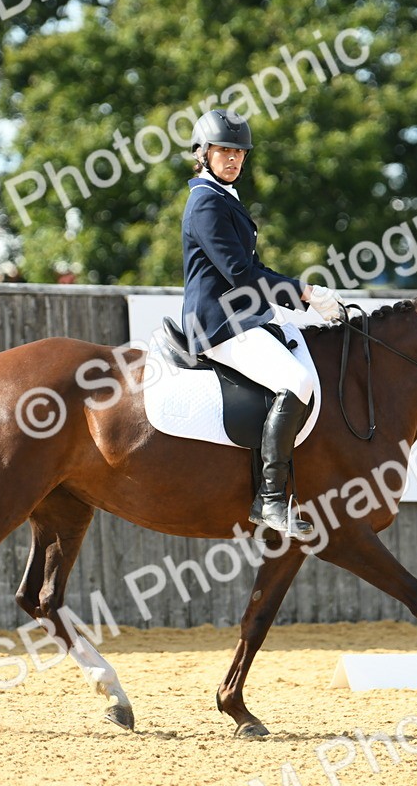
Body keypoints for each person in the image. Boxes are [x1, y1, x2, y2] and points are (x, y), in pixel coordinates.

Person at [180, 108, 344, 537]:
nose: (234, 160)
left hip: (245, 316)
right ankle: (270, 501)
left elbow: (256, 267)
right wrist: (306, 293)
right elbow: (240, 274)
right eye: (224, 151)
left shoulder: (224, 198)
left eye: (240, 153)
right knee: (297, 381)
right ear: (203, 153)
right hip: (218, 323)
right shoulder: (205, 203)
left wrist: (295, 304)